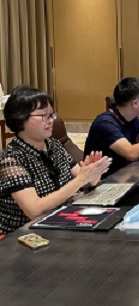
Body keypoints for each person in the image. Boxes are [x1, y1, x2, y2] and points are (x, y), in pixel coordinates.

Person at [0, 86, 111, 234]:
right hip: (23, 235)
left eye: (51, 114)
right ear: (20, 119)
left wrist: (91, 176)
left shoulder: (54, 145)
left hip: (60, 222)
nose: (51, 120)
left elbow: (79, 176)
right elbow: (34, 210)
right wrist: (81, 180)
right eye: (43, 115)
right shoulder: (11, 159)